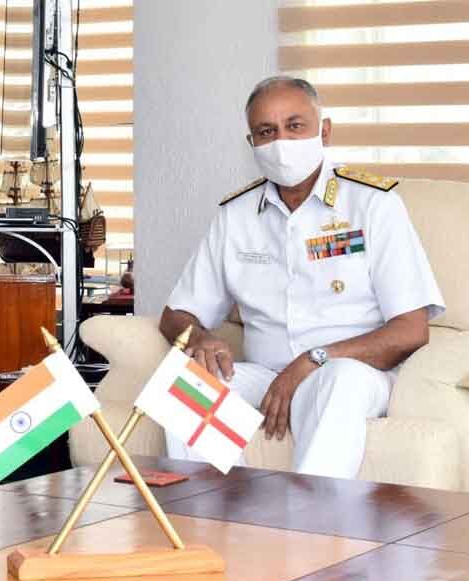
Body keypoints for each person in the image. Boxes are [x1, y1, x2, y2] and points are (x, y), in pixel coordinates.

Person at [159, 76, 445, 479]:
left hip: (354, 371)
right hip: (266, 374)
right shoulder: (236, 215)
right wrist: (202, 339)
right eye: (266, 131)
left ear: (323, 131)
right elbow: (176, 313)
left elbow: (412, 330)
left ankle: (310, 533)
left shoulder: (373, 204)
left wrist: (313, 360)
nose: (281, 142)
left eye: (295, 126)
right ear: (252, 144)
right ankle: (215, 519)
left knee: (336, 383)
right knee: (183, 380)